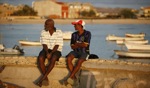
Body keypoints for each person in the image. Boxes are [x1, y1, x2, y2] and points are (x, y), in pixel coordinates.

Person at [36, 19, 63, 87]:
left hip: (56, 50)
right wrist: (47, 52)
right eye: (45, 24)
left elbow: (57, 45)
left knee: (53, 58)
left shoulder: (59, 32)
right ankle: (46, 78)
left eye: (46, 24)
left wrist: (51, 53)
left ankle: (42, 79)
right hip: (46, 49)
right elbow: (44, 44)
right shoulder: (43, 32)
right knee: (40, 58)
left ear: (51, 25)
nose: (44, 25)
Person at [66, 20, 91, 85]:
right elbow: (72, 47)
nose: (74, 26)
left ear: (80, 25)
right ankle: (73, 77)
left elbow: (85, 45)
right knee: (68, 58)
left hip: (85, 52)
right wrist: (80, 44)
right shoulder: (74, 34)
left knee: (79, 61)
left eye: (76, 25)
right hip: (75, 52)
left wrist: (77, 44)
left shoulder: (87, 33)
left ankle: (71, 76)